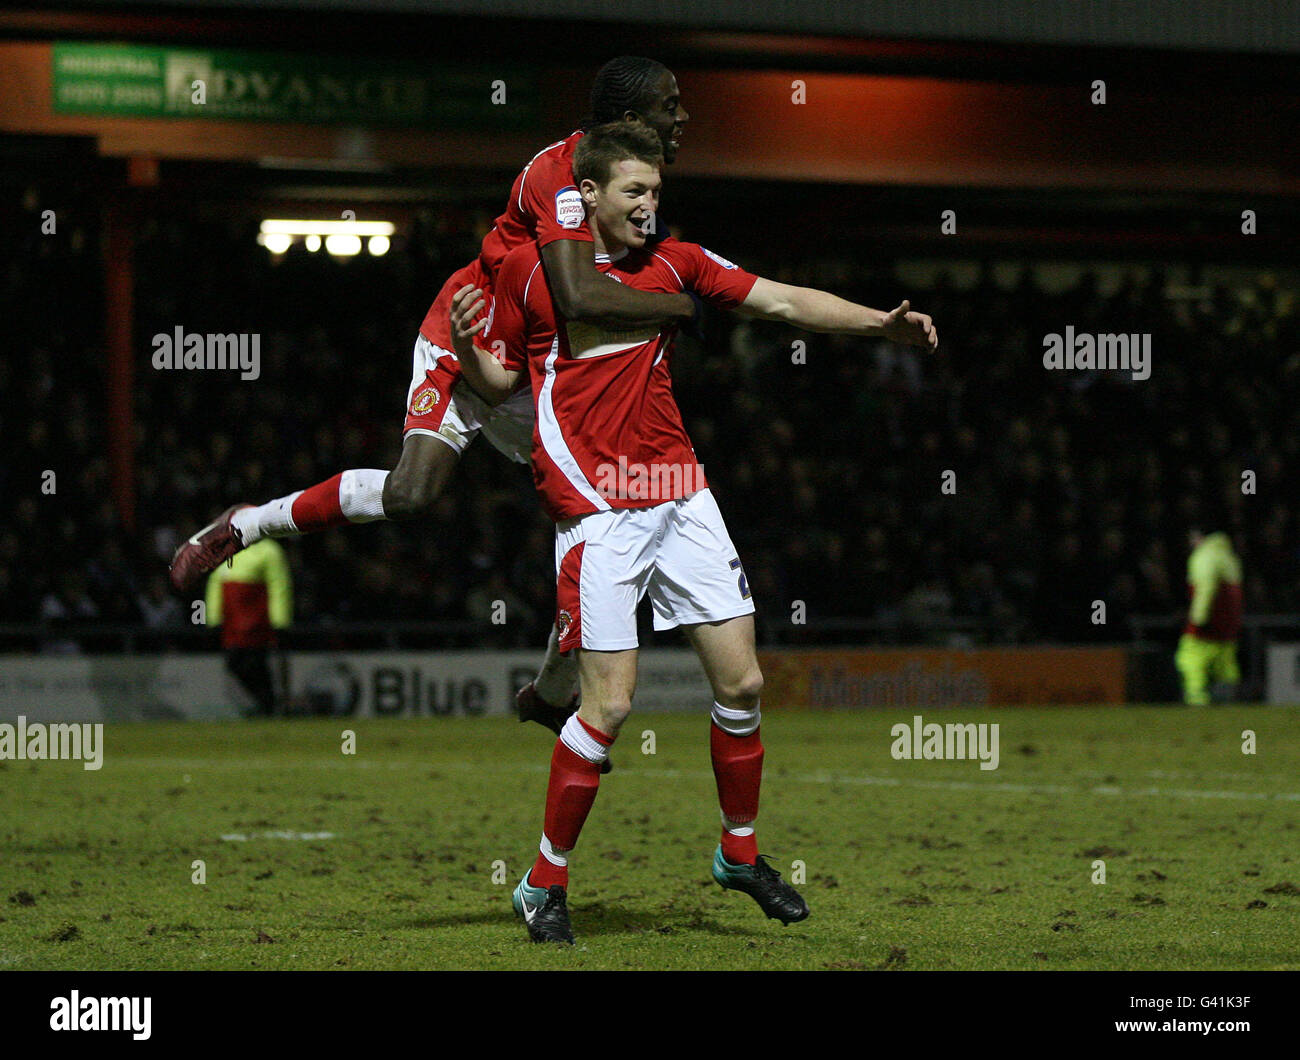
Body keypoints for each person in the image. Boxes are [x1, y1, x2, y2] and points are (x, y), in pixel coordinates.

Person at [450, 123, 938, 943]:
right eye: (633, 193)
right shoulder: (536, 274)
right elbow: (502, 378)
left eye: (656, 193)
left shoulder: (679, 263)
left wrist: (875, 326)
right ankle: (542, 883)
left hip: (680, 495)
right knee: (610, 706)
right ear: (591, 197)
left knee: (743, 685)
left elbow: (783, 299)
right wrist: (467, 346)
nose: (649, 207)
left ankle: (738, 854)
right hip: (599, 510)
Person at [168, 57, 695, 737]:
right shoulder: (559, 174)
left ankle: (551, 692)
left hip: (535, 373)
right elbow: (573, 292)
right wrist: (685, 303)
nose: (682, 117)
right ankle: (248, 524)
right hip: (469, 335)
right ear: (627, 120)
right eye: (669, 104)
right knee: (413, 491)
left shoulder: (640, 189)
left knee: (600, 505)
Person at [205, 537, 293, 717]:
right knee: (237, 663)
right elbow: (215, 583)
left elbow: (279, 585)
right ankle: (266, 702)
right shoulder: (226, 549)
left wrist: (279, 620)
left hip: (256, 620)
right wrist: (213, 618)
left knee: (255, 662)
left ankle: (267, 704)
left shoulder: (268, 550)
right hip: (232, 622)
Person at [1175, 524, 1242, 706]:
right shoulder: (1228, 556)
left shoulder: (1204, 556)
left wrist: (1199, 618)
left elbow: (1205, 588)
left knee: (1190, 659)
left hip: (1208, 622)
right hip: (1227, 625)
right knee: (1225, 665)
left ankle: (1197, 700)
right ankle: (1227, 702)